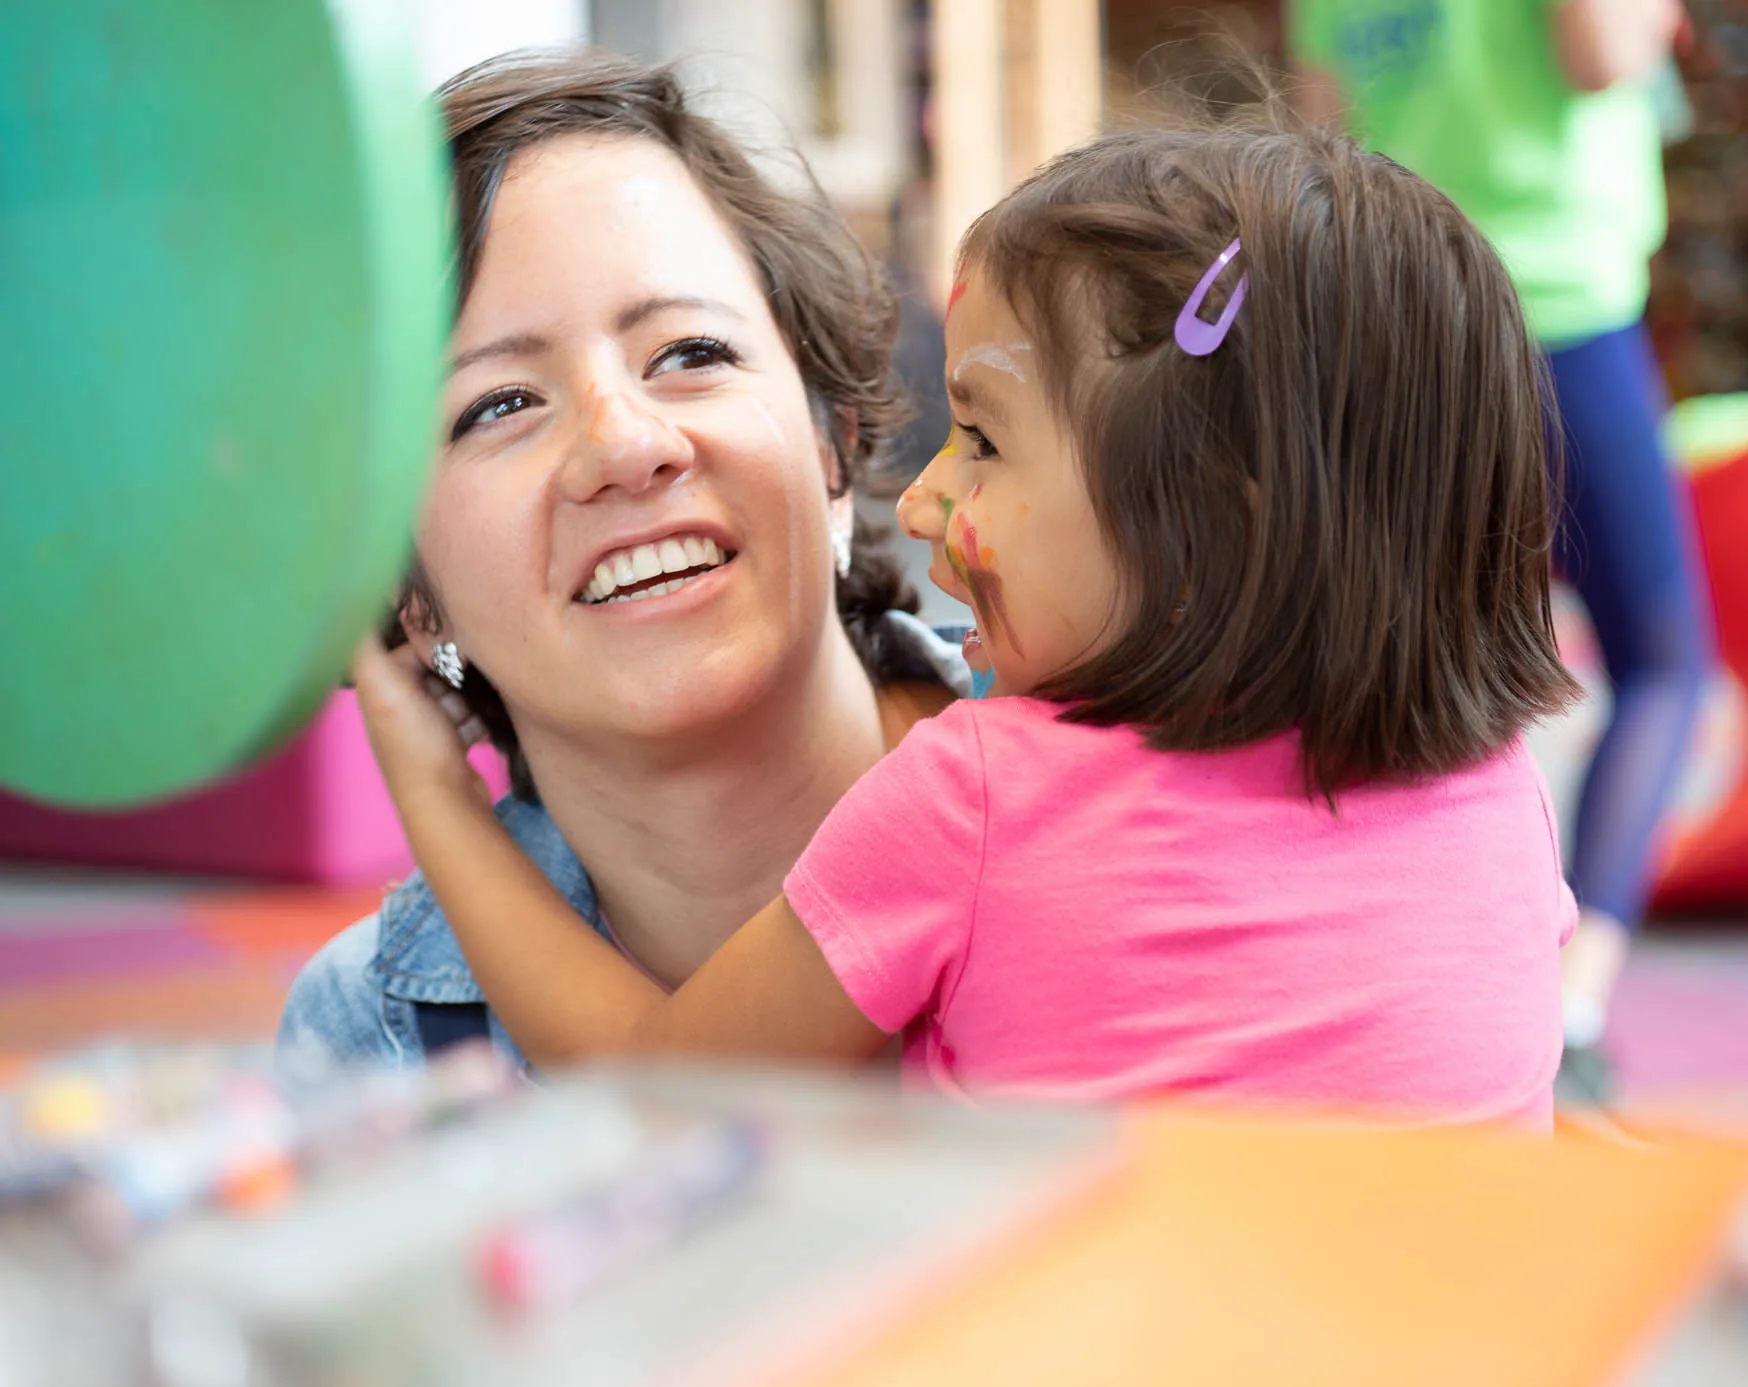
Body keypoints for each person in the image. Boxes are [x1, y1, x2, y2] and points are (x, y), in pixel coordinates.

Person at [350, 119, 1583, 1127]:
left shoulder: (973, 799)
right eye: (498, 401)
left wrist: (434, 794)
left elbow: (659, 1080)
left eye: (983, 439)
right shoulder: (1501, 799)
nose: (929, 495)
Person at [277, 53, 972, 1069]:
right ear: (408, 598)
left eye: (690, 353)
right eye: (499, 405)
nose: (623, 446)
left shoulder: (1122, 804)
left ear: (834, 440)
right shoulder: (366, 1046)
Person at [1287, 0, 1715, 1100]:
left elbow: (1317, 134)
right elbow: (1601, 54)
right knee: (1665, 665)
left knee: (1402, 662)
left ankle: (1378, 981)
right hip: (1556, 312)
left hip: (1396, 325)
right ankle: (1568, 993)